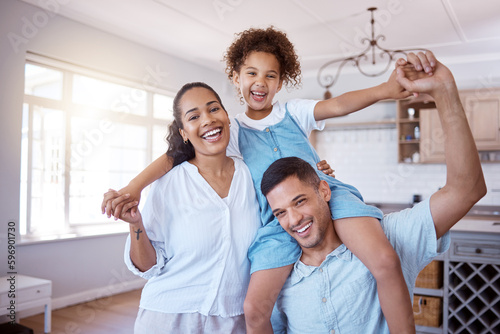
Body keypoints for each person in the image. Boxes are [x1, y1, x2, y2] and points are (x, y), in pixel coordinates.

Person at [102, 27, 425, 334]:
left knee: (383, 260)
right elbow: (175, 155)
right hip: (275, 221)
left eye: (270, 75)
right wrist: (134, 188)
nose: (261, 82)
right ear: (236, 78)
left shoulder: (293, 112)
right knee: (256, 310)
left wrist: (386, 90)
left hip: (327, 196)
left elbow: (338, 104)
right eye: (251, 73)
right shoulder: (232, 131)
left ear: (281, 82)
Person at [260, 51, 487, 333]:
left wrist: (445, 92)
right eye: (280, 212)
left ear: (324, 190)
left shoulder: (388, 238)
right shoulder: (277, 277)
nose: (293, 220)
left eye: (300, 201)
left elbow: (466, 190)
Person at [111, 82, 261, 333]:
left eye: (214, 109)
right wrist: (136, 224)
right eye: (194, 116)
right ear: (184, 132)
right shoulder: (168, 184)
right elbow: (147, 266)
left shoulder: (251, 177)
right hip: (168, 318)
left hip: (234, 320)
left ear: (227, 117)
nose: (208, 120)